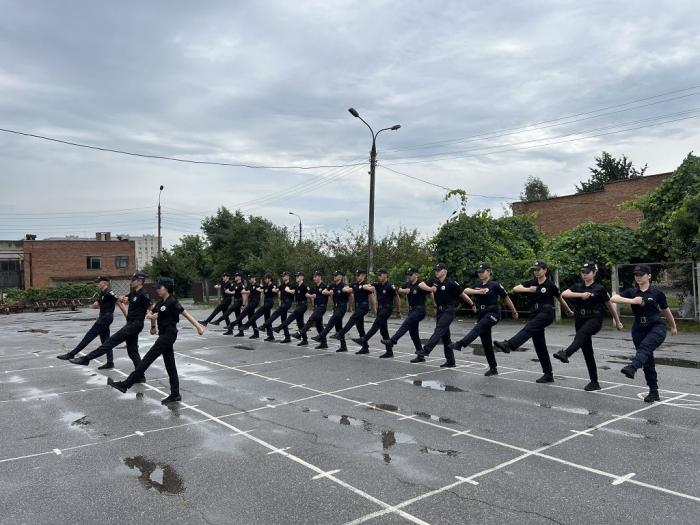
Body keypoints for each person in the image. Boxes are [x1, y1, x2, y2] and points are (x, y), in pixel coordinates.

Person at [107, 277, 205, 405]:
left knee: (147, 359)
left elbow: (185, 313)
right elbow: (151, 312)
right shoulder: (160, 303)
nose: (157, 289)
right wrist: (152, 322)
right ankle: (175, 394)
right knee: (170, 364)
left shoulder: (172, 301)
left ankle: (126, 384)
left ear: (167, 288)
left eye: (160, 287)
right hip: (163, 334)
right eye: (157, 287)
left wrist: (198, 326)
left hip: (169, 334)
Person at [494, 261, 575, 383]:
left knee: (529, 328)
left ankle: (509, 345)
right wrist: (530, 289)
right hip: (534, 313)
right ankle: (548, 374)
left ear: (545, 270)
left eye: (538, 269)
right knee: (539, 345)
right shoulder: (532, 282)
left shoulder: (550, 285)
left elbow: (560, 298)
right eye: (535, 270)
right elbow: (516, 288)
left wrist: (568, 310)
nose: (536, 272)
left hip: (546, 313)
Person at [610, 264, 678, 402]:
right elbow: (613, 298)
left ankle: (633, 367)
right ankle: (654, 392)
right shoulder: (632, 291)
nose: (638, 277)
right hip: (638, 328)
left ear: (649, 276)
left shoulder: (657, 293)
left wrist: (673, 326)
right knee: (647, 360)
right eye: (636, 275)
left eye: (641, 274)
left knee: (645, 347)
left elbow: (666, 310)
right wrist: (633, 301)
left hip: (656, 326)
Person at [553, 261, 624, 391]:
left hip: (594, 319)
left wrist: (617, 321)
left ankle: (566, 353)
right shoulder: (578, 286)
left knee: (582, 334)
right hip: (580, 318)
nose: (584, 274)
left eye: (587, 272)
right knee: (587, 351)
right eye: (583, 272)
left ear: (594, 273)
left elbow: (609, 306)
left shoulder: (599, 289)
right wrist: (580, 295)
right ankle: (594, 382)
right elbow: (564, 294)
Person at [69, 272, 151, 381]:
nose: (131, 282)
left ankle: (86, 359)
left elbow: (152, 308)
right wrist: (122, 298)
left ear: (140, 281)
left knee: (110, 342)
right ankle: (140, 376)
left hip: (135, 324)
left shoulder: (144, 294)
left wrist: (153, 326)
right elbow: (122, 299)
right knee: (132, 351)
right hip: (131, 323)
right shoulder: (134, 293)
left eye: (133, 280)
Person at [449, 263, 519, 376]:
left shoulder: (495, 285)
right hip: (482, 313)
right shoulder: (478, 285)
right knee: (486, 343)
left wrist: (514, 312)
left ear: (489, 271)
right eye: (479, 272)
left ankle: (460, 344)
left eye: (482, 272)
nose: (480, 274)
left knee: (478, 327)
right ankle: (493, 368)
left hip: (493, 313)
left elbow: (506, 298)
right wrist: (478, 291)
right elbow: (465, 290)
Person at [57, 276, 128, 369]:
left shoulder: (109, 292)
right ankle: (110, 362)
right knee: (106, 341)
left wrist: (127, 316)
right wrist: (96, 304)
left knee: (89, 335)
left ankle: (72, 354)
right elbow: (99, 302)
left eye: (99, 282)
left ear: (105, 283)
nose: (98, 284)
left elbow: (119, 302)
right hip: (103, 317)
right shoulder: (102, 293)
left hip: (106, 318)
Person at [415, 263, 476, 368]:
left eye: (438, 270)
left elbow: (462, 294)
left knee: (439, 329)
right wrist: (430, 289)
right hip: (440, 311)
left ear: (445, 271)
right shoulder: (434, 281)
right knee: (446, 338)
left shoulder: (451, 283)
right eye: (436, 270)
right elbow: (420, 285)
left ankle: (426, 350)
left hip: (448, 310)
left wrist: (472, 304)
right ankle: (450, 361)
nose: (436, 272)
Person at [381, 267, 431, 360]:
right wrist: (404, 290)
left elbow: (431, 291)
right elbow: (399, 289)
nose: (409, 276)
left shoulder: (421, 284)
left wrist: (435, 305)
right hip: (411, 310)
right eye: (408, 274)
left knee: (407, 322)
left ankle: (393, 340)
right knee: (413, 333)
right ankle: (420, 355)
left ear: (416, 274)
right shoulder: (408, 284)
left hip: (420, 309)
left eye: (411, 274)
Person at [351, 268, 397, 354]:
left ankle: (364, 339)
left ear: (385, 275)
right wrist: (366, 287)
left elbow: (396, 298)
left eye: (380, 275)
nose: (378, 276)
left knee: (375, 325)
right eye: (378, 275)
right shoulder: (377, 284)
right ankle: (389, 351)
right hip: (380, 309)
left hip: (387, 308)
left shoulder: (390, 286)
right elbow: (368, 286)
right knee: (383, 330)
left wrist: (398, 310)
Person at [333, 270, 372, 351]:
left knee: (352, 318)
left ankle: (341, 333)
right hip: (357, 307)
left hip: (364, 306)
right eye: (356, 275)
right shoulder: (354, 284)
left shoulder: (366, 284)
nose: (356, 277)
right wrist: (348, 289)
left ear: (363, 276)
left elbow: (372, 296)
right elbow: (346, 289)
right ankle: (365, 347)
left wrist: (374, 309)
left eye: (358, 275)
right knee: (360, 327)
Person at [313, 270, 350, 351]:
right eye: (334, 275)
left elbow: (349, 291)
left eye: (336, 275)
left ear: (340, 277)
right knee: (339, 327)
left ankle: (321, 336)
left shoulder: (344, 285)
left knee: (332, 320)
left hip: (342, 307)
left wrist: (345, 290)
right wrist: (330, 292)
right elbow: (324, 291)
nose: (334, 277)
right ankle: (343, 346)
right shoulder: (332, 285)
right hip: (335, 307)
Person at [293, 271, 328, 346]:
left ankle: (300, 333)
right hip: (316, 307)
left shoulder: (324, 286)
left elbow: (330, 292)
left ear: (320, 277)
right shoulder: (314, 287)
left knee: (311, 319)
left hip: (322, 307)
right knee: (319, 326)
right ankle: (324, 343)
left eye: (315, 277)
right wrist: (311, 296)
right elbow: (306, 294)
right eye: (313, 277)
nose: (314, 278)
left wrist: (327, 292)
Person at [274, 272, 308, 346]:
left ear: (302, 277)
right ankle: (305, 339)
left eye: (298, 276)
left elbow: (309, 293)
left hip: (303, 304)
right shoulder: (296, 285)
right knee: (300, 323)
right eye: (296, 276)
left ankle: (279, 328)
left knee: (292, 316)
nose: (296, 278)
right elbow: (291, 290)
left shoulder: (305, 286)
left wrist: (312, 299)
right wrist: (288, 291)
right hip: (298, 304)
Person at [261, 272, 294, 344]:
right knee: (283, 320)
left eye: (284, 276)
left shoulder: (291, 285)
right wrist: (275, 290)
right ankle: (287, 337)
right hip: (283, 302)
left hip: (287, 303)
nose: (283, 277)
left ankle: (264, 326)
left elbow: (294, 291)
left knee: (275, 313)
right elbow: (276, 290)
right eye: (282, 276)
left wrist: (289, 290)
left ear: (288, 276)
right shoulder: (282, 285)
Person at [243, 273, 276, 341]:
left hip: (269, 303)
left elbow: (276, 290)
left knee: (257, 313)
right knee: (267, 319)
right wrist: (257, 289)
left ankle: (248, 325)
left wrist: (276, 290)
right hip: (266, 302)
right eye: (264, 279)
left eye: (266, 278)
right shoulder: (265, 286)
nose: (265, 280)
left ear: (269, 279)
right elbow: (260, 289)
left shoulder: (272, 286)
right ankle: (271, 336)